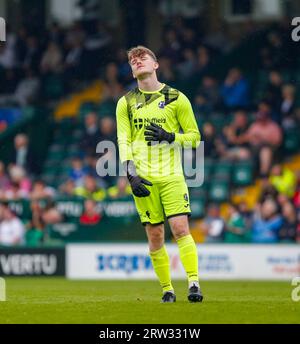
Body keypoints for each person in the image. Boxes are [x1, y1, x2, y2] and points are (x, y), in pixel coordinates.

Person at [116, 45, 203, 303]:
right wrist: (131, 174)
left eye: (143, 57)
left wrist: (170, 136)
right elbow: (124, 140)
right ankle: (167, 289)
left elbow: (195, 138)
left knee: (179, 228)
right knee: (155, 234)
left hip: (172, 176)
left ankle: (194, 283)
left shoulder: (177, 98)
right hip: (143, 177)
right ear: (132, 72)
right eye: (133, 60)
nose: (137, 61)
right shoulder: (125, 103)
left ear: (156, 65)